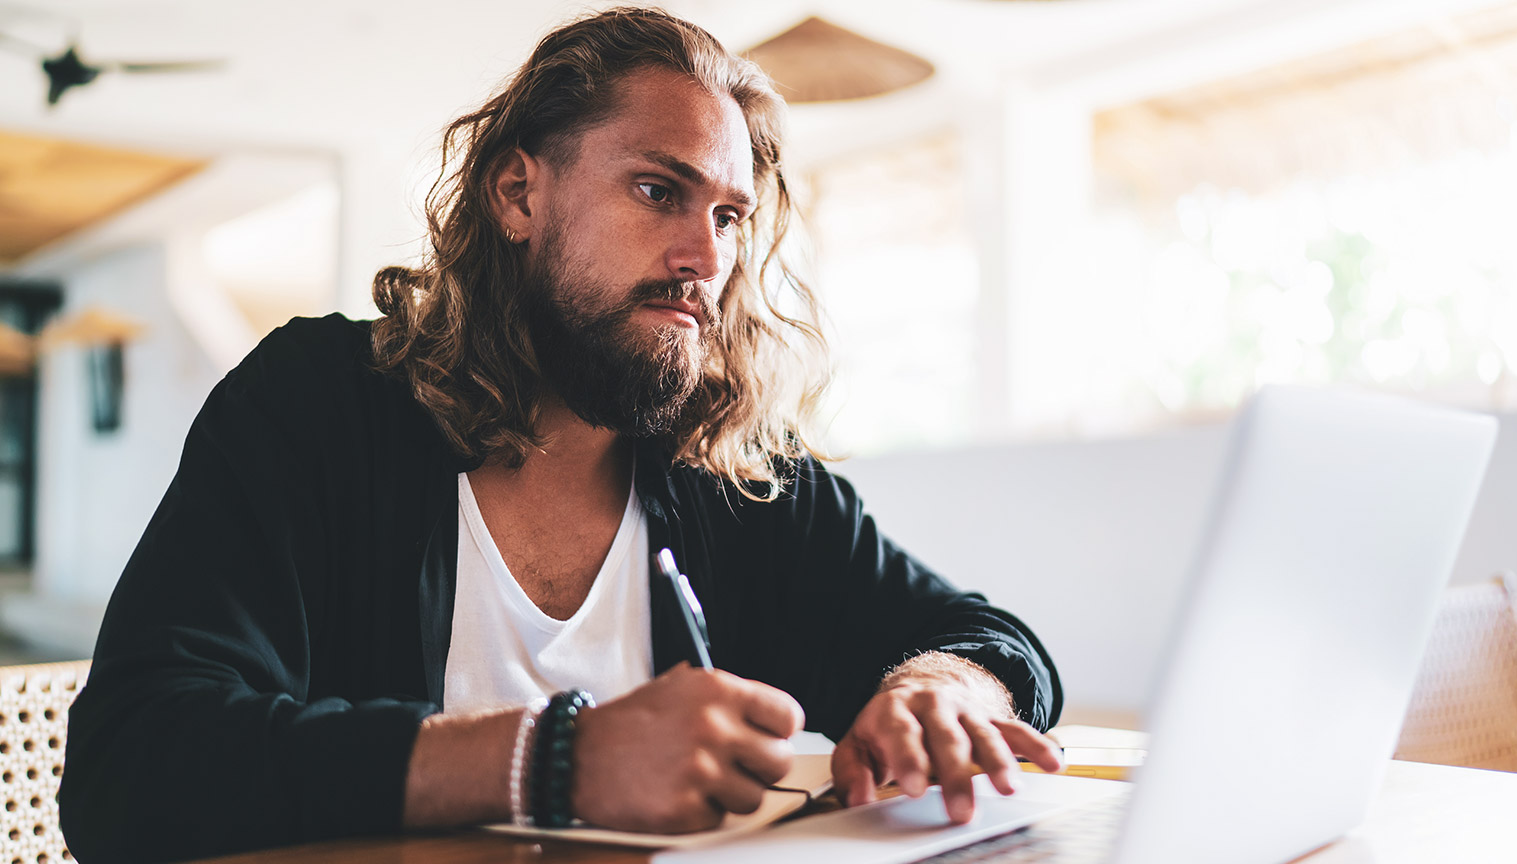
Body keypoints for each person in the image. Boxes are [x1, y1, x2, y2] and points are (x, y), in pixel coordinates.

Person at [59, 7, 1063, 862]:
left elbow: (991, 640)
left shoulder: (735, 472)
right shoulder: (318, 402)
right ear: (518, 193)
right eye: (657, 191)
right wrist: (556, 760)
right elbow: (131, 768)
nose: (702, 256)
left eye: (728, 216)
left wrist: (941, 689)